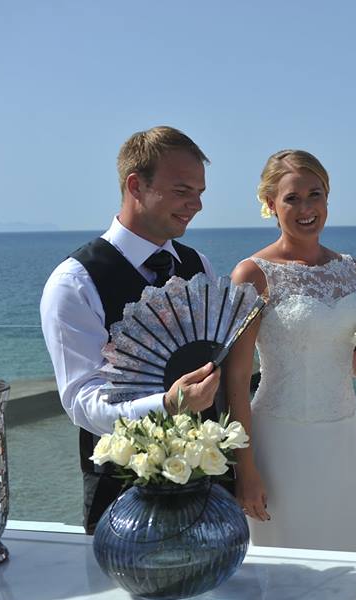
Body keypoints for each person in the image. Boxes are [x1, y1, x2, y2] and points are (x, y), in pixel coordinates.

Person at [40, 126, 221, 534]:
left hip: (210, 488)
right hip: (122, 496)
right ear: (136, 185)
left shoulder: (200, 267)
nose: (196, 205)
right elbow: (82, 403)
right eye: (182, 191)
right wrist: (167, 405)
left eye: (200, 192)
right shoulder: (74, 283)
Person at [225, 149, 356, 553]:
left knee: (353, 558)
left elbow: (349, 359)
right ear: (270, 204)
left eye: (316, 195)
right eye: (292, 198)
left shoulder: (351, 269)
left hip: (342, 436)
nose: (306, 208)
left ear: (328, 199)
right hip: (280, 440)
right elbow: (235, 378)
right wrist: (245, 468)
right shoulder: (252, 274)